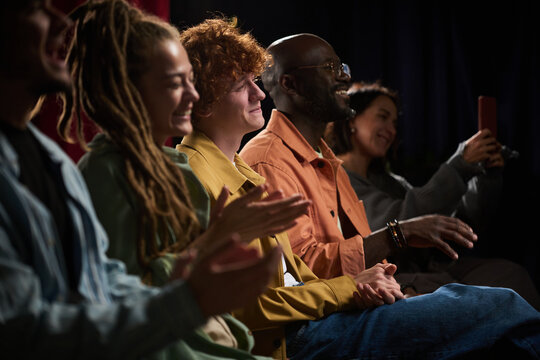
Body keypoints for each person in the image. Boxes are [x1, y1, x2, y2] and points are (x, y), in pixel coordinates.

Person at [177, 21, 540, 359]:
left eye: (254, 80)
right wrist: (350, 288)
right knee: (500, 304)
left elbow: (296, 273)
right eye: (241, 85)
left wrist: (364, 286)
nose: (259, 92)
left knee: (497, 299)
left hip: (318, 316)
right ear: (204, 97)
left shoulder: (248, 170)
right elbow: (246, 304)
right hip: (292, 338)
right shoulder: (202, 172)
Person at [0, 1, 282, 358]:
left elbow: (104, 282)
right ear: (129, 90)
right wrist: (202, 265)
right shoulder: (103, 171)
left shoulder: (49, 159)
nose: (193, 97)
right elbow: (28, 328)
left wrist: (203, 258)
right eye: (33, 9)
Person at [323, 81, 540, 307]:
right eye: (382, 116)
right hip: (391, 277)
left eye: (395, 122)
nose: (391, 129)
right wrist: (459, 166)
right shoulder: (335, 177)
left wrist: (487, 176)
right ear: (351, 119)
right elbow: (400, 222)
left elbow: (453, 225)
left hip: (432, 269)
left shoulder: (393, 182)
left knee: (510, 275)